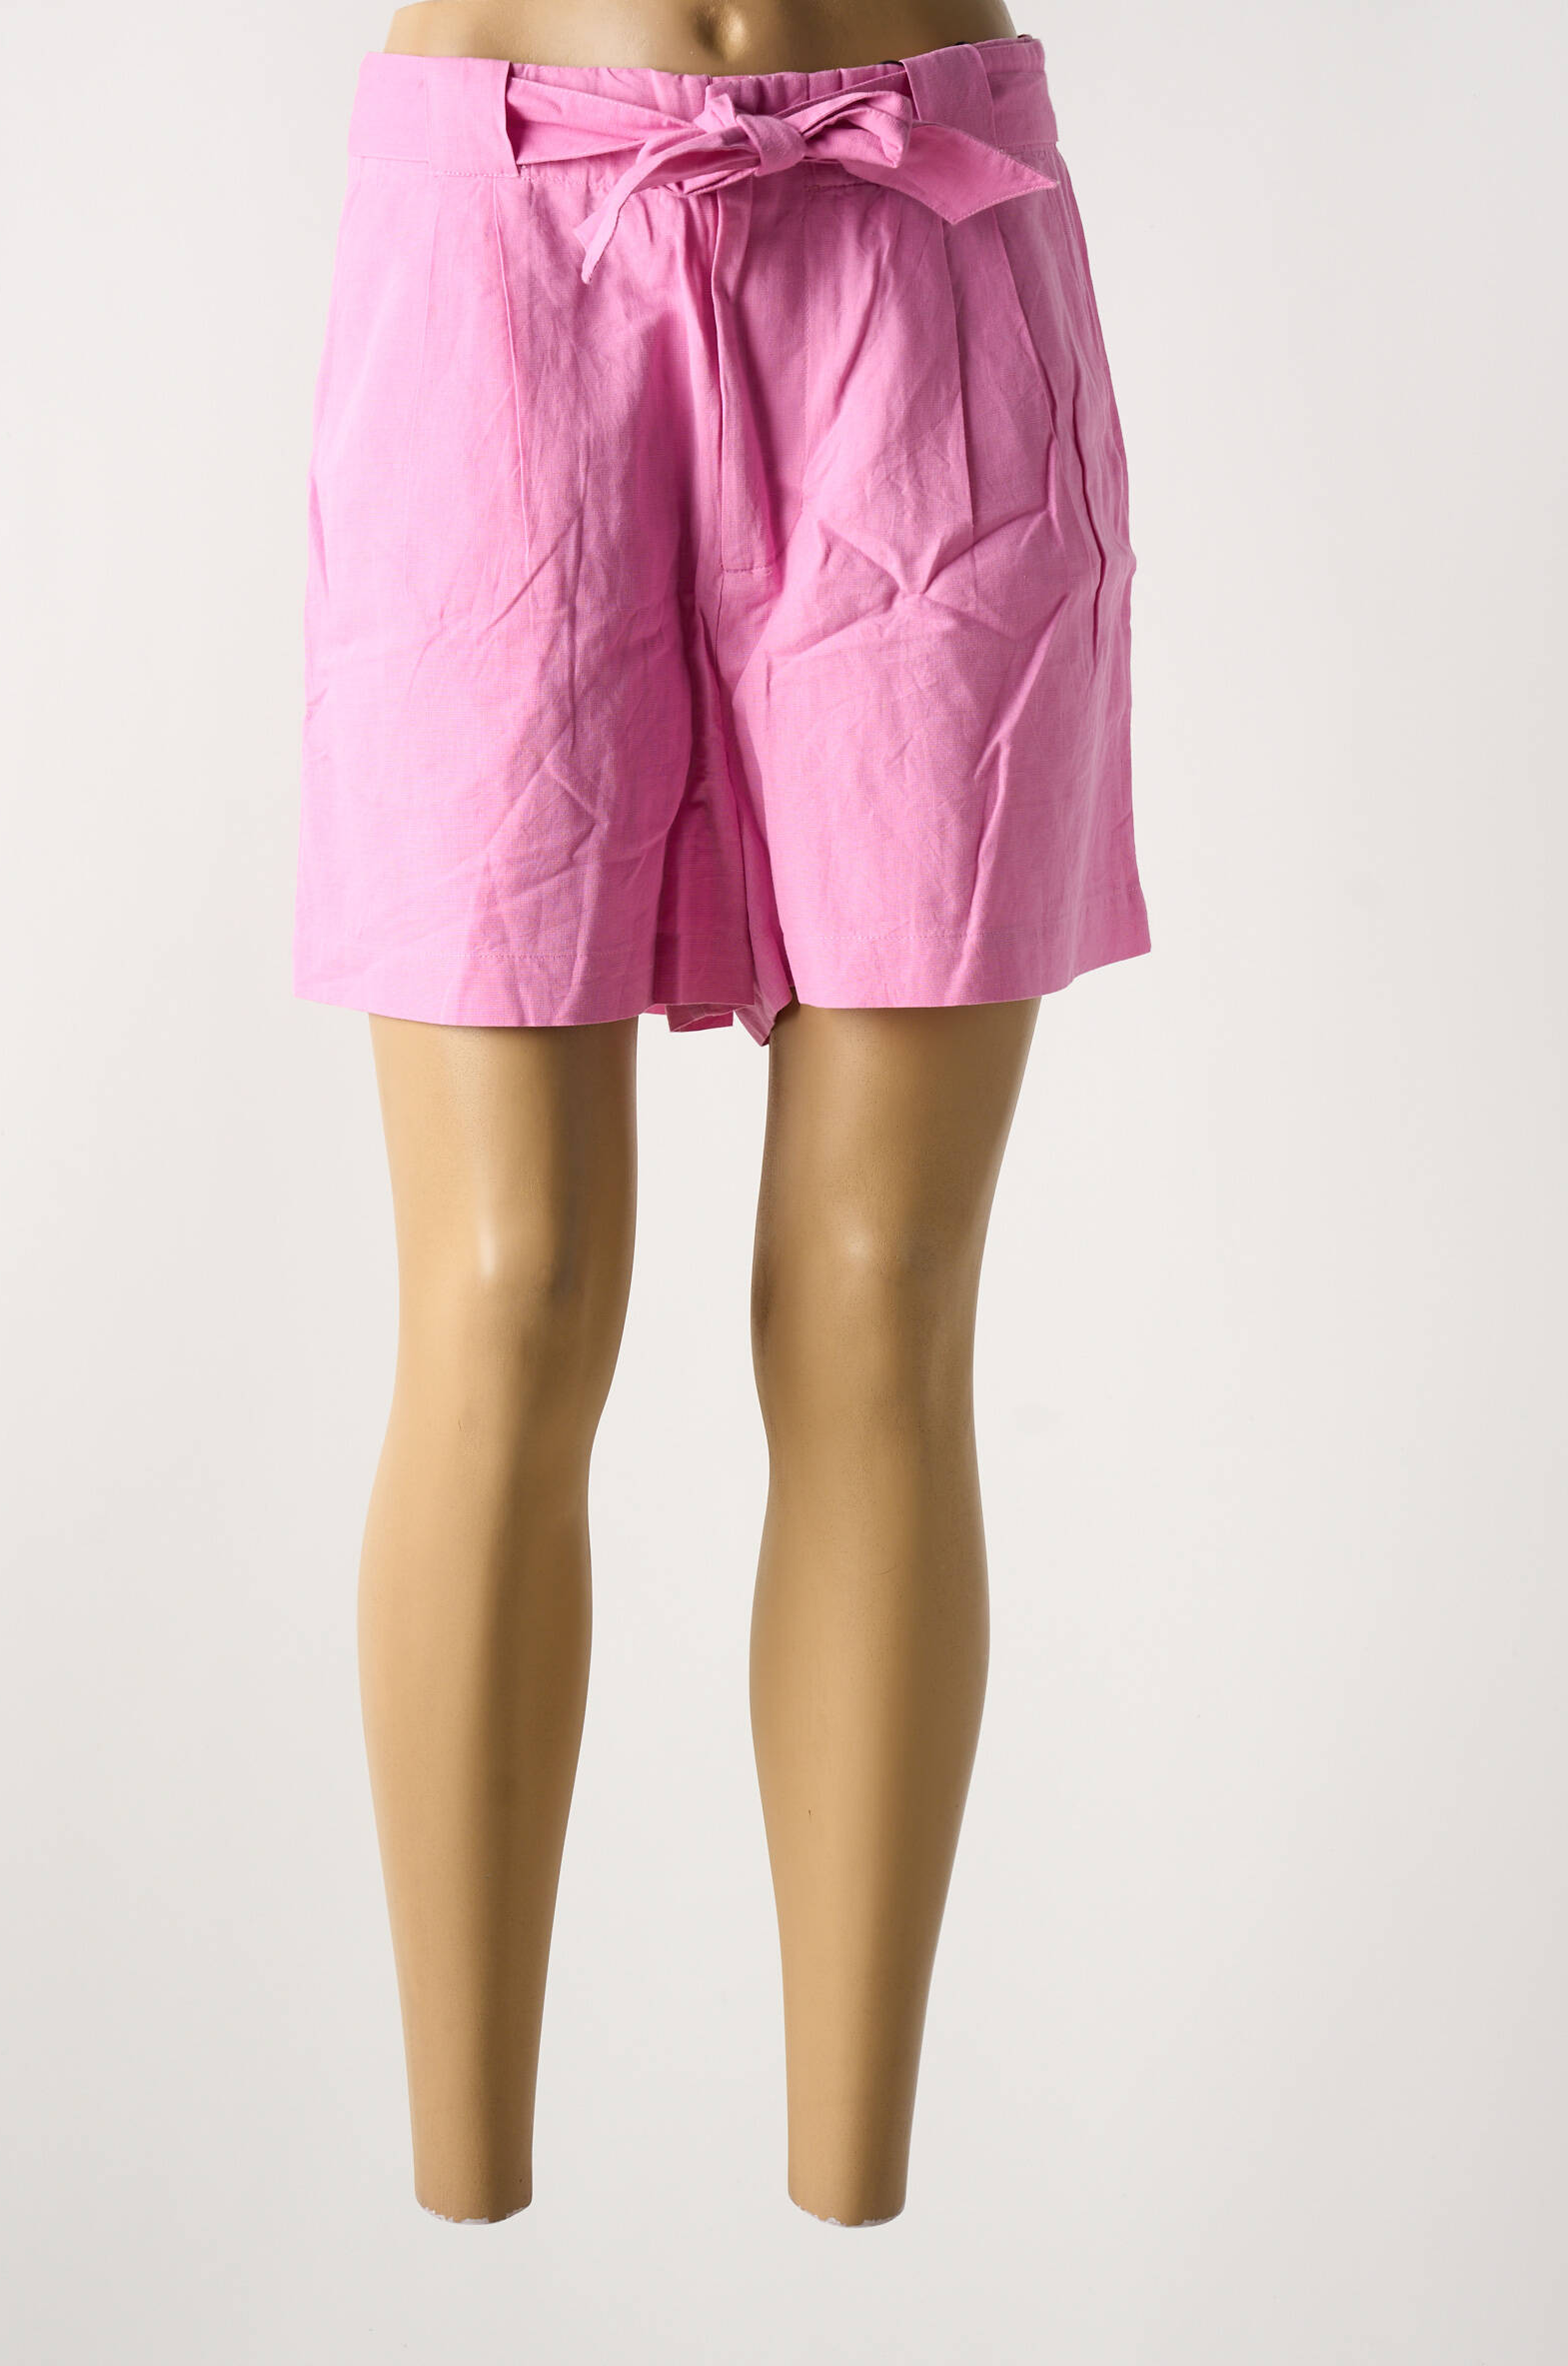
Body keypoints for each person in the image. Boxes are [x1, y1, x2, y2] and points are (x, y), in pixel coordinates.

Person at [294, 0, 1150, 2225]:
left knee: (881, 1292)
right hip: (503, 233)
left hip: (921, 219)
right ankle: (465, 2201)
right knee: (506, 1288)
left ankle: (850, 2210)